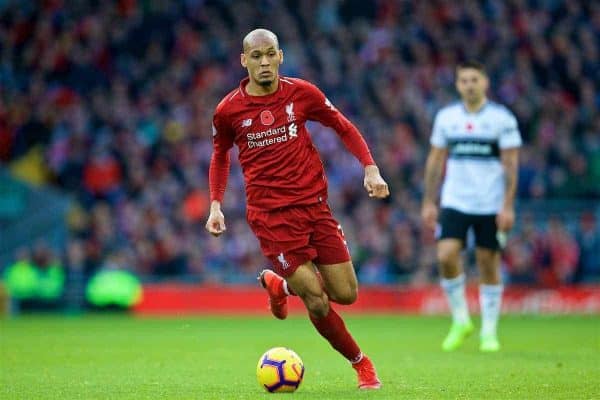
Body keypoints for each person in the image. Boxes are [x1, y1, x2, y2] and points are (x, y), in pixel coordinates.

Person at [205, 29, 389, 389]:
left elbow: (342, 125)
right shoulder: (228, 111)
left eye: (269, 54)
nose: (263, 62)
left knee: (346, 294)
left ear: (280, 56)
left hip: (315, 208)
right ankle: (361, 364)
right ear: (244, 61)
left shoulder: (302, 93)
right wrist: (215, 205)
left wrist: (370, 166)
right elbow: (219, 156)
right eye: (255, 56)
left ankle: (279, 286)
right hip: (272, 219)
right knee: (317, 300)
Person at [421, 61, 521, 352]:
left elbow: (511, 165)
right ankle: (461, 319)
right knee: (446, 255)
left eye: (474, 79)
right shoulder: (447, 118)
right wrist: (429, 200)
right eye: (463, 80)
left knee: (488, 263)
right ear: (457, 84)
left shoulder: (502, 119)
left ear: (485, 82)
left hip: (490, 203)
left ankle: (489, 333)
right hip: (455, 201)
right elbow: (435, 160)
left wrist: (508, 206)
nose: (469, 85)